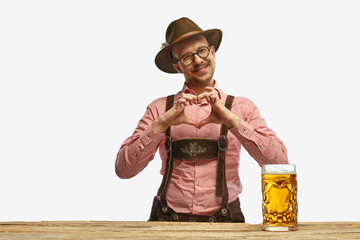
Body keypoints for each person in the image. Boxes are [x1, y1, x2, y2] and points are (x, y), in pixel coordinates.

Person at [115, 17, 288, 222]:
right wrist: (160, 126)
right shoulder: (159, 109)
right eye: (187, 57)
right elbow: (123, 171)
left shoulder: (242, 107)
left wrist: (233, 121)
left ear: (212, 53)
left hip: (227, 220)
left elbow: (279, 163)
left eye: (201, 51)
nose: (198, 60)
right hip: (167, 220)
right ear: (178, 67)